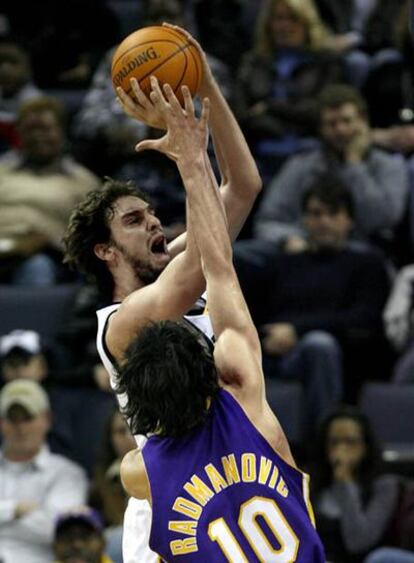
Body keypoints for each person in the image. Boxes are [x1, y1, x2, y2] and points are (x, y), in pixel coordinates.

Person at [63, 24, 262, 563]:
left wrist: (204, 86)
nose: (155, 223)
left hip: (235, 475)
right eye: (134, 221)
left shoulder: (179, 269)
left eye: (153, 214)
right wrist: (189, 158)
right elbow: (202, 264)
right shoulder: (120, 323)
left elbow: (243, 186)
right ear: (105, 251)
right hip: (171, 503)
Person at [119, 78, 325, 561]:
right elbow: (220, 267)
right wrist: (193, 162)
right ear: (210, 373)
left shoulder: (139, 471)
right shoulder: (247, 400)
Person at [235, 174, 390, 411]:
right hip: (276, 354)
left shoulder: (367, 264)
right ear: (305, 220)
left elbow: (364, 319)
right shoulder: (282, 264)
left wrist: (298, 331)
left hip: (344, 356)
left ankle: (323, 439)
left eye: (333, 214)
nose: (324, 222)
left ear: (349, 220)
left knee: (319, 345)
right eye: (316, 214)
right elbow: (253, 313)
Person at [253, 83, 409, 255]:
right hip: (302, 249)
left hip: (359, 252)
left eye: (347, 121)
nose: (340, 130)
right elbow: (267, 220)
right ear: (321, 129)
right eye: (332, 124)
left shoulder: (390, 166)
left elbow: (381, 220)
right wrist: (288, 238)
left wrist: (354, 164)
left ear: (363, 122)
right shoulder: (301, 165)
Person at [0, 95, 100, 285]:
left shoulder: (83, 181)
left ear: (61, 132)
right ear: (18, 134)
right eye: (30, 129)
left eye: (45, 129)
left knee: (37, 267)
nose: (38, 136)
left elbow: (92, 239)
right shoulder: (1, 171)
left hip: (45, 257)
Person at [0, 379, 89, 563]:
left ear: (46, 419)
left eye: (28, 418)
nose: (21, 428)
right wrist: (14, 509)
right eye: (13, 418)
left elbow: (58, 531)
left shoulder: (68, 474)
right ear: (2, 422)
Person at [309, 406, 399, 563]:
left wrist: (345, 481)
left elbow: (358, 542)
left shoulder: (384, 485)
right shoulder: (312, 481)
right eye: (334, 442)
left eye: (350, 442)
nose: (341, 450)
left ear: (365, 447)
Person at [89, 408, 136, 563]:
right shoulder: (101, 480)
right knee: (116, 538)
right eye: (121, 431)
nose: (130, 437)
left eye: (134, 429)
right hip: (115, 550)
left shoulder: (163, 472)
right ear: (110, 438)